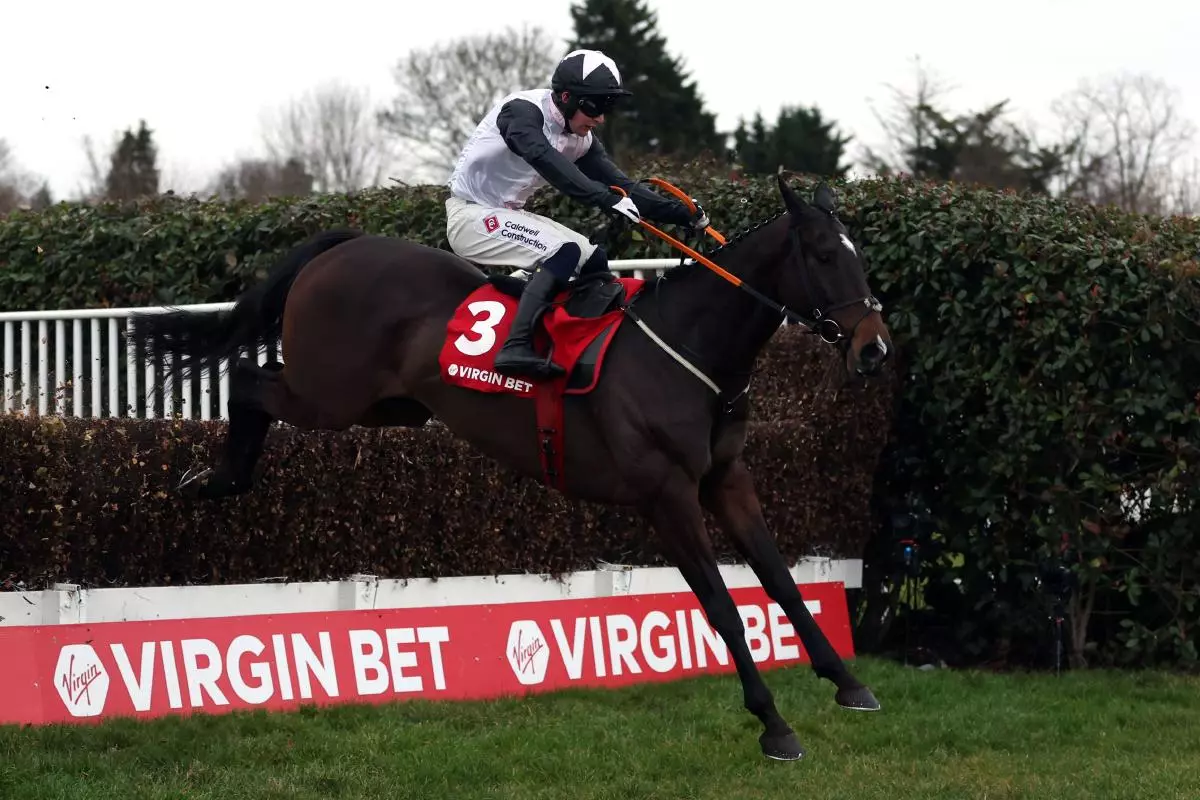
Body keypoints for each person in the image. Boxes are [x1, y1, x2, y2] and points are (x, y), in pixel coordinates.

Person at [444, 48, 710, 380]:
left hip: (502, 215)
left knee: (593, 259)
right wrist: (603, 199)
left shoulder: (579, 139)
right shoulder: (521, 112)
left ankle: (571, 342)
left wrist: (683, 213)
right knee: (565, 252)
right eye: (594, 106)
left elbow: (622, 185)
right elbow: (543, 158)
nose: (600, 118)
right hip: (470, 217)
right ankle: (516, 346)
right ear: (566, 97)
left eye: (607, 108)